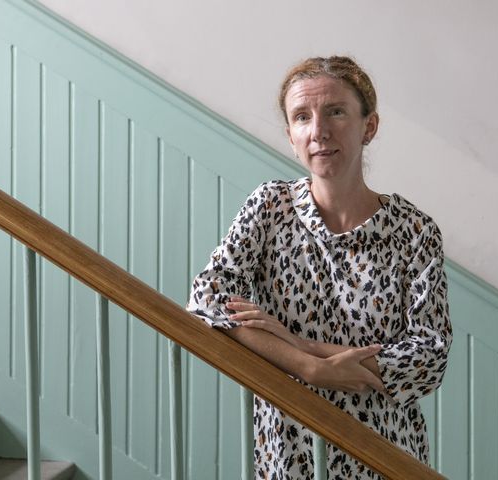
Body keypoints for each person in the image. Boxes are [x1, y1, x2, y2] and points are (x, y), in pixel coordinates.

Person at [187, 56, 452, 479]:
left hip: (382, 451)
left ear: (370, 126)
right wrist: (310, 369)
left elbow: (428, 358)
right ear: (292, 136)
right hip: (291, 449)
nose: (319, 131)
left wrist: (301, 344)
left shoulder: (414, 230)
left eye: (336, 112)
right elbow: (206, 297)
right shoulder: (269, 207)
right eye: (302, 117)